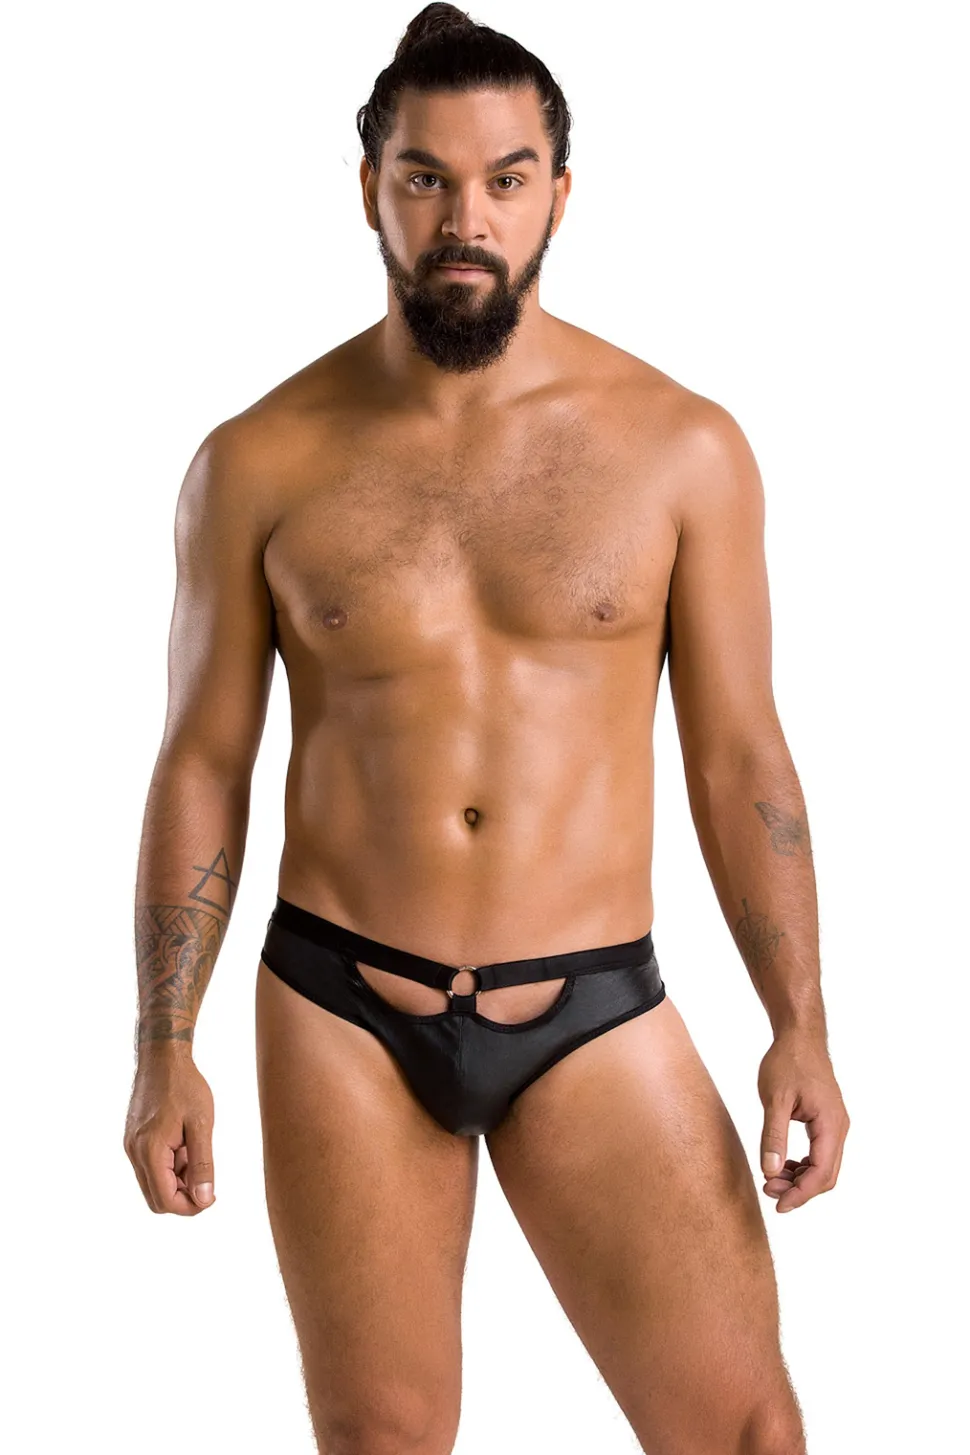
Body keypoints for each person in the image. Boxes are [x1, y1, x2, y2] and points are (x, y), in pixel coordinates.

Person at [124, 6, 850, 1451]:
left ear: (558, 194)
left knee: (745, 1432)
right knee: (383, 1442)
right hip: (341, 999)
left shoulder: (681, 446)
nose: (467, 220)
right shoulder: (255, 459)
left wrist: (800, 1027)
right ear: (369, 188)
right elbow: (203, 759)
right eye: (427, 177)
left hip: (591, 1000)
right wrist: (163, 1046)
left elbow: (739, 759)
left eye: (506, 179)